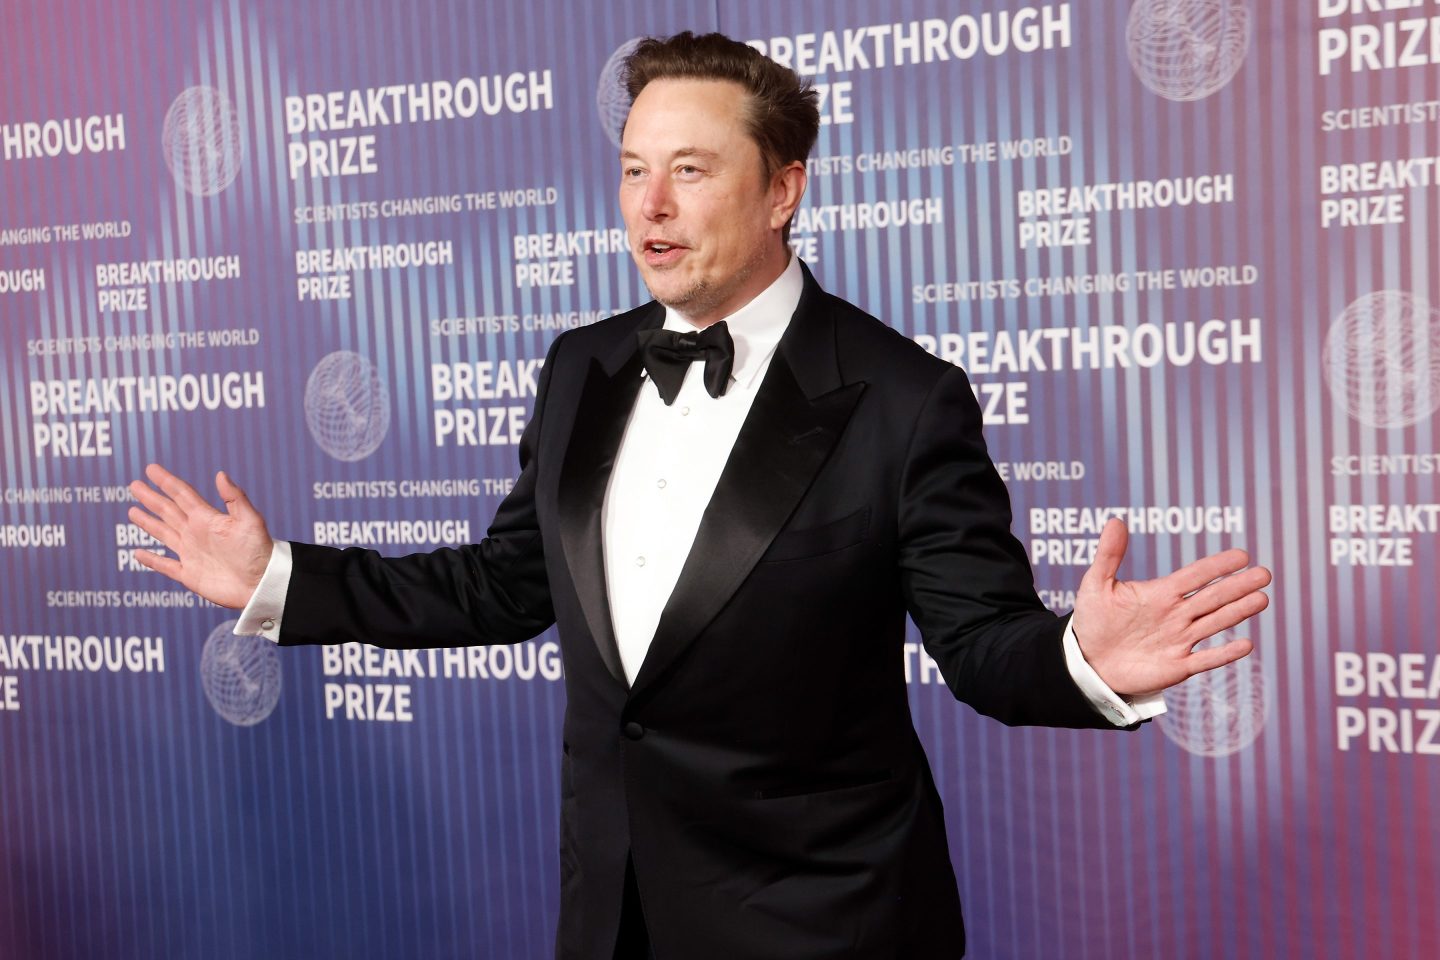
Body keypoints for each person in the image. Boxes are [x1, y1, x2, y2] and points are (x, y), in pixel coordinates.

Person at [128, 32, 1271, 960]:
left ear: (783, 190)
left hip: (824, 926)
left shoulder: (903, 399)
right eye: (634, 169)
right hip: (611, 919)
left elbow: (980, 644)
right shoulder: (582, 364)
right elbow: (505, 582)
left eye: (690, 169)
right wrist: (279, 580)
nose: (650, 206)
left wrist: (1081, 661)